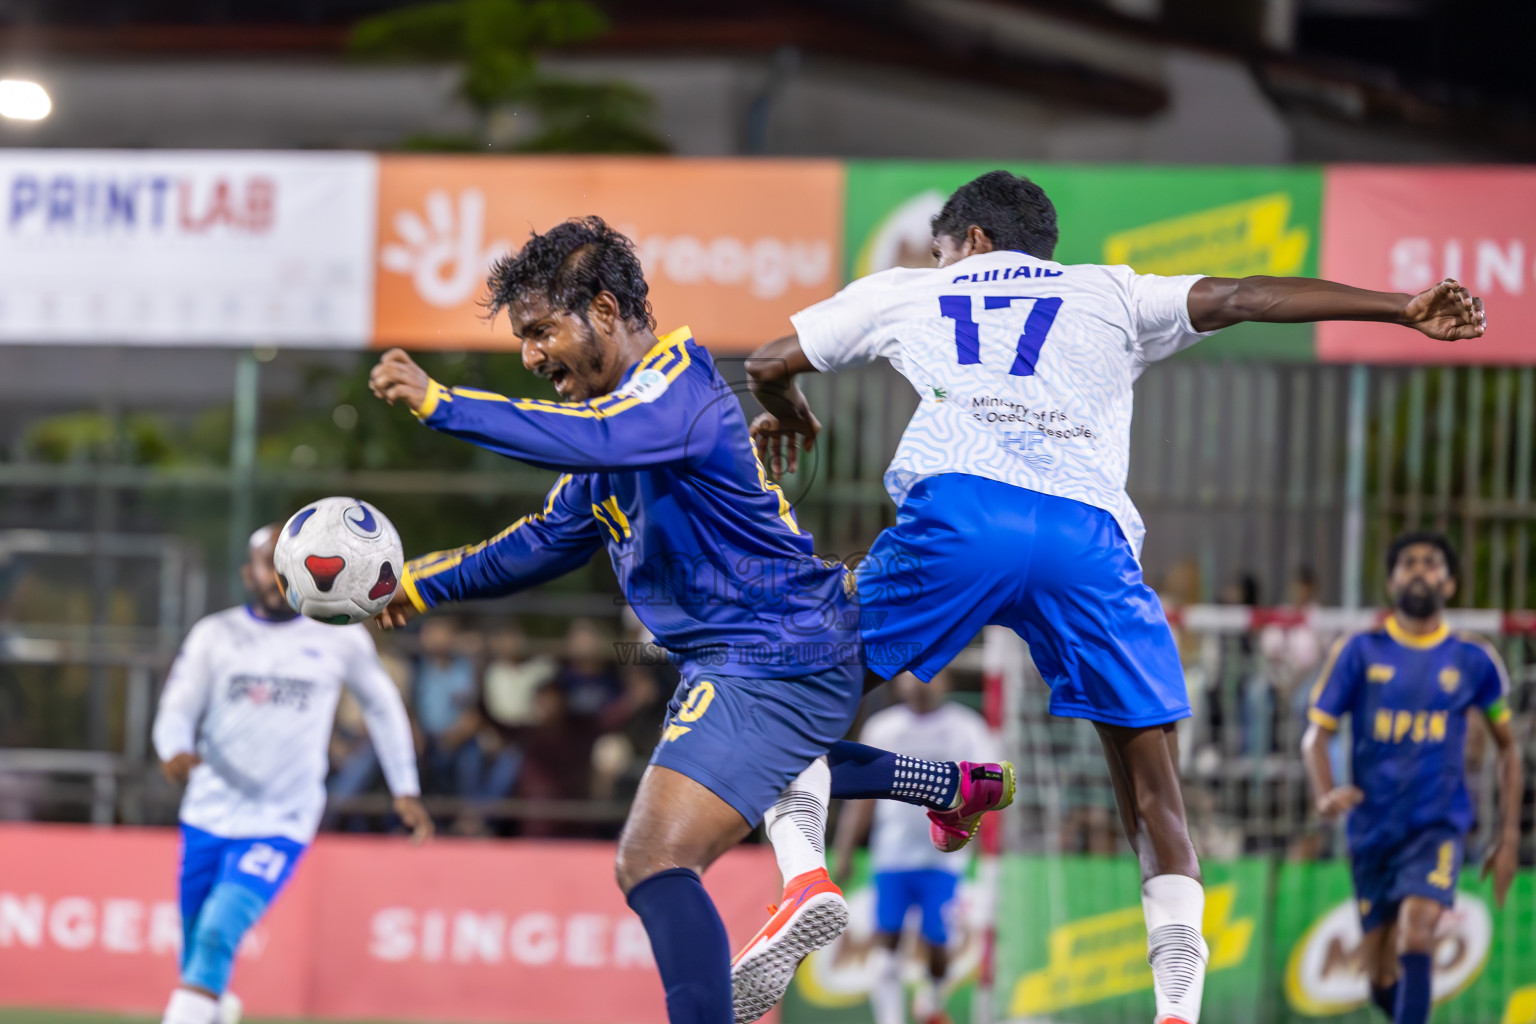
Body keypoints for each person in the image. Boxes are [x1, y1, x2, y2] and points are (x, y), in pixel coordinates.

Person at [744, 169, 1488, 1024]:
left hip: (959, 516)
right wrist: (1401, 306)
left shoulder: (912, 288)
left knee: (784, 691)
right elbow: (1247, 296)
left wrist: (790, 409)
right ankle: (1178, 1011)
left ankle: (804, 879)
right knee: (1152, 792)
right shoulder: (1114, 291)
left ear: (973, 243)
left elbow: (768, 361)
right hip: (1087, 541)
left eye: (947, 251)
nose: (944, 263)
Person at [152, 526, 432, 1024]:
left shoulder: (338, 635)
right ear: (248, 572)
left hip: (281, 820)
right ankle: (218, 1010)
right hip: (208, 812)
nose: (280, 576)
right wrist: (173, 748)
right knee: (197, 952)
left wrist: (404, 787)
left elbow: (384, 707)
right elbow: (176, 707)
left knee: (218, 932)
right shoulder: (215, 635)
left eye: (291, 563)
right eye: (268, 564)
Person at [1302, 532, 1522, 1024]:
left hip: (1437, 825)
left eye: (1431, 562)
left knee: (1417, 933)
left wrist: (1507, 839)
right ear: (1391, 579)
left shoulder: (1474, 660)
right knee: (1380, 973)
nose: (1419, 570)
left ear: (1450, 582)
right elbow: (1314, 738)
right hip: (1372, 828)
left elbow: (1509, 749)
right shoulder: (1359, 651)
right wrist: (1324, 794)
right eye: (1408, 562)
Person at [831, 670, 1000, 1024]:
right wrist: (845, 850)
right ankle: (890, 1018)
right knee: (886, 936)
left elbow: (987, 791)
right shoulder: (882, 727)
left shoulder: (967, 728)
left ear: (946, 682)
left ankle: (932, 1002)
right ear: (897, 682)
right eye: (910, 676)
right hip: (891, 853)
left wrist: (980, 837)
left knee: (937, 940)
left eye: (931, 675)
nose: (921, 682)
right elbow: (862, 799)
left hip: (944, 859)